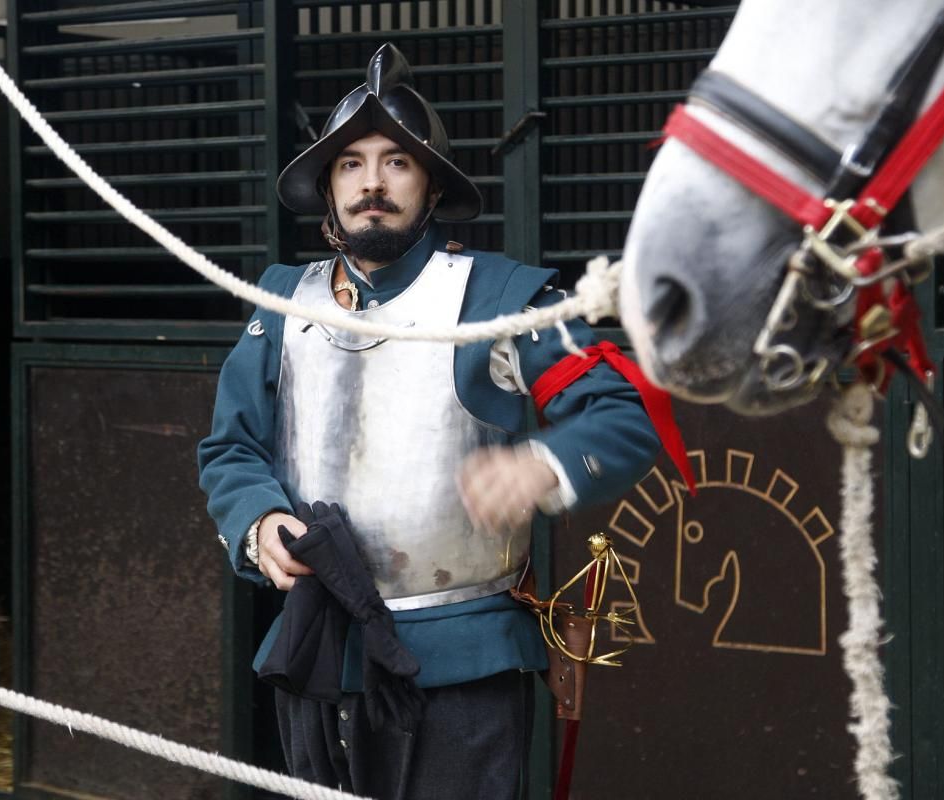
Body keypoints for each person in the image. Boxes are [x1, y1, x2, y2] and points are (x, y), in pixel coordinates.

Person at [197, 44, 666, 799]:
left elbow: (621, 413)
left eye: (397, 163)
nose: (373, 183)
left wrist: (541, 465)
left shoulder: (499, 301)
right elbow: (231, 448)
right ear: (327, 186)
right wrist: (258, 523)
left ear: (432, 187)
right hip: (317, 651)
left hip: (464, 663)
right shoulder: (283, 303)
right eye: (351, 164)